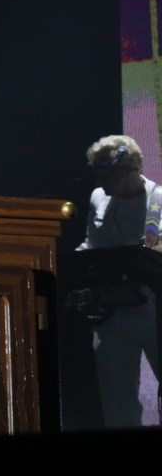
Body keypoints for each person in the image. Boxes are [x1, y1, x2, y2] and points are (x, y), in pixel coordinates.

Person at [74, 134, 161, 428]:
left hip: (153, 313)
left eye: (104, 173)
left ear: (127, 170)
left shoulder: (158, 201)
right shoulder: (98, 198)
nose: (99, 180)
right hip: (110, 315)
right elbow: (91, 244)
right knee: (116, 402)